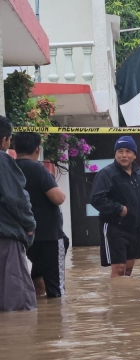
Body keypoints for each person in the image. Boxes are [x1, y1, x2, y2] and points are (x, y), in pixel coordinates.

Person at [14, 132, 68, 298]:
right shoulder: (38, 168)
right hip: (49, 236)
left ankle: (40, 319)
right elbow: (58, 198)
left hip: (25, 235)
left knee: (37, 281)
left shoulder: (10, 168)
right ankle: (55, 321)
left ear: (15, 148)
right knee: (57, 291)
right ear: (37, 149)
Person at [90, 136, 140, 278]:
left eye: (128, 151)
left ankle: (126, 299)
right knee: (119, 269)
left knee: (128, 271)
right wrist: (119, 209)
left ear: (134, 155)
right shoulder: (106, 174)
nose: (124, 155)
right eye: (120, 151)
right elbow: (96, 199)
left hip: (135, 229)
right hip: (115, 228)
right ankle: (116, 299)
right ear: (115, 154)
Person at [0, 116, 37, 311]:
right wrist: (29, 226)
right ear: (5, 140)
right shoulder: (2, 160)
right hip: (6, 237)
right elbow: (16, 199)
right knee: (19, 303)